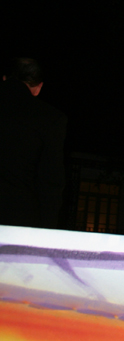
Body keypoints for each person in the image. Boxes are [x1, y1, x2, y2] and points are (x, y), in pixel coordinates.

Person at [0, 58, 67, 228]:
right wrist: (46, 229)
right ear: (38, 88)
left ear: (4, 78)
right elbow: (51, 181)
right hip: (16, 219)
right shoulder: (50, 118)